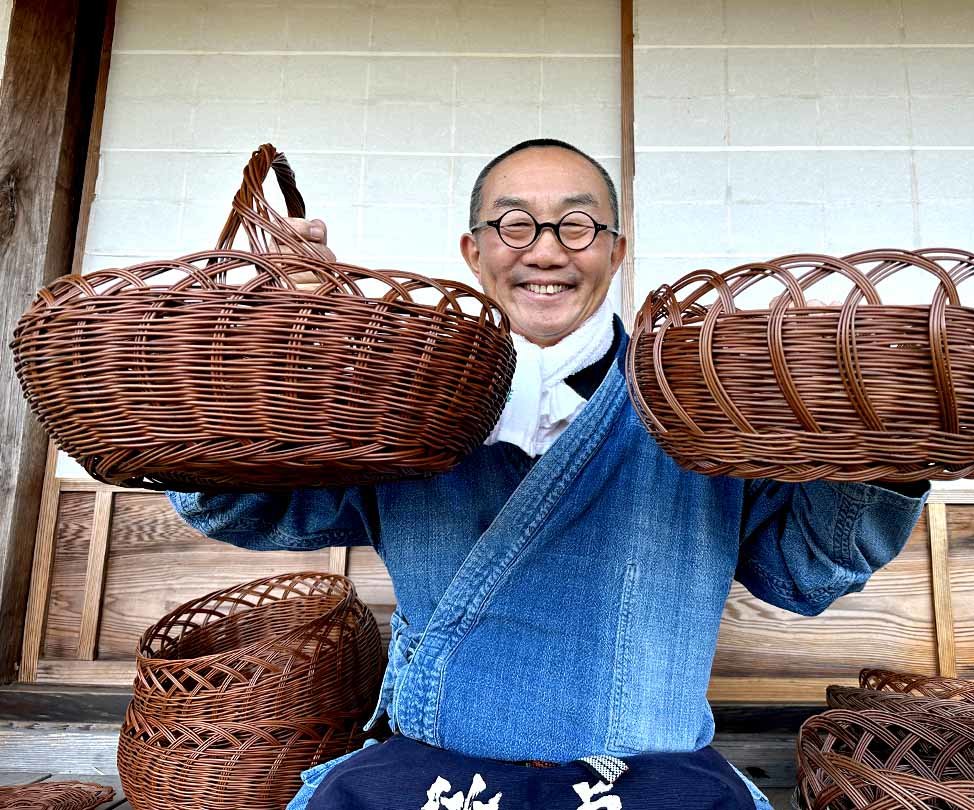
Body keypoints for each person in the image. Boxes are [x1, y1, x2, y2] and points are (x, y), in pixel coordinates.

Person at [167, 138, 929, 809]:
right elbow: (240, 508)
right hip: (435, 771)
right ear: (473, 251)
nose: (544, 251)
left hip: (650, 774)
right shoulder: (398, 398)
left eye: (577, 224)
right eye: (513, 224)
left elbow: (803, 574)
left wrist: (890, 457)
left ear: (615, 250)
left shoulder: (704, 400)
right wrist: (281, 346)